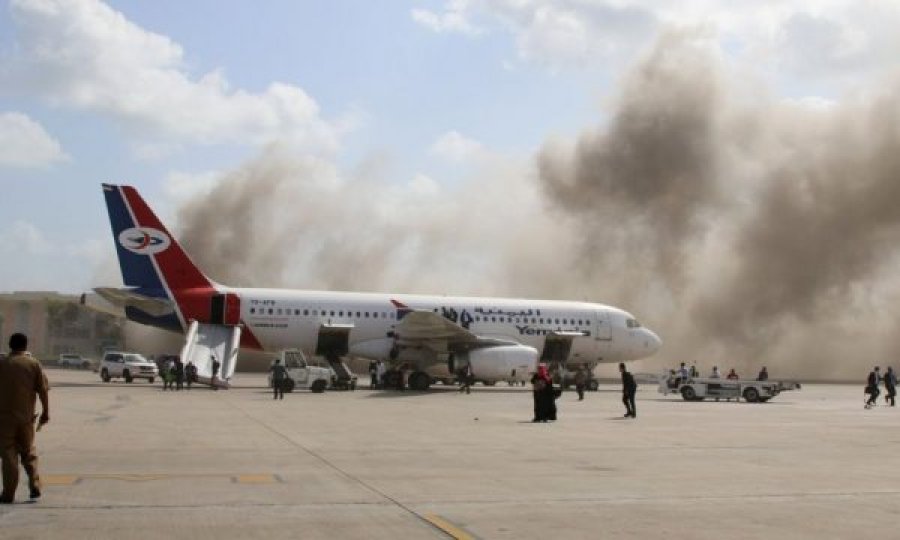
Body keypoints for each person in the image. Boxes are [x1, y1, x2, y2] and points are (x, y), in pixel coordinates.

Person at [0, 333, 49, 503]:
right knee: (28, 452)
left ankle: (8, 494)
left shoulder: (2, 363)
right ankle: (35, 484)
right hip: (26, 417)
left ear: (9, 345)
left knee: (8, 455)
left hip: (4, 418)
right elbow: (42, 390)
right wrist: (46, 412)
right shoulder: (33, 364)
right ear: (26, 346)